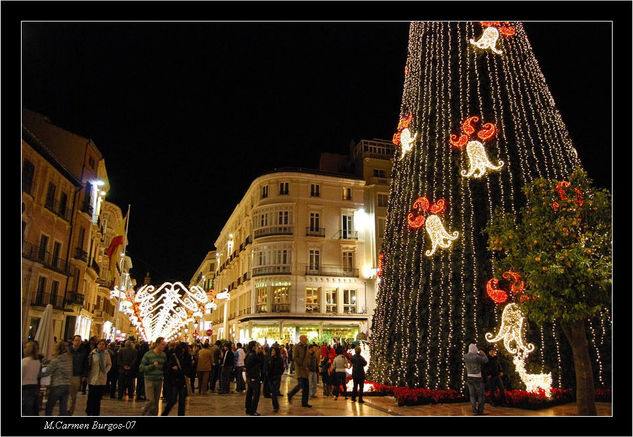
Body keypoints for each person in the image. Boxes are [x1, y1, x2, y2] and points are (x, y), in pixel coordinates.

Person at [42, 341, 73, 415]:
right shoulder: (69, 359)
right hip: (67, 385)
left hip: (57, 385)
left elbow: (47, 372)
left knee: (49, 406)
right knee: (63, 407)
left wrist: (39, 373)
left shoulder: (56, 361)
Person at [161, 342, 192, 416]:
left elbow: (188, 369)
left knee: (182, 401)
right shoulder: (173, 355)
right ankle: (164, 414)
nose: (183, 350)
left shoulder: (187, 357)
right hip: (174, 381)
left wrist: (179, 370)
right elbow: (167, 368)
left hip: (182, 381)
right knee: (173, 400)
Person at [139, 337, 167, 416]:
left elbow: (164, 367)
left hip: (159, 380)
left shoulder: (163, 355)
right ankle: (143, 414)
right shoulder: (148, 354)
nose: (164, 346)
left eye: (164, 345)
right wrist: (152, 366)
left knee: (156, 402)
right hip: (149, 379)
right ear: (157, 344)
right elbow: (141, 368)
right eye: (162, 345)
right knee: (150, 400)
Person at [86, 339, 112, 416]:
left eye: (103, 344)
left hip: (101, 378)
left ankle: (96, 413)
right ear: (97, 345)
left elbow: (109, 364)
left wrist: (105, 371)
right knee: (91, 396)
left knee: (97, 398)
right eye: (100, 344)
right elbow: (89, 364)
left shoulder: (106, 354)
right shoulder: (92, 353)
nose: (101, 345)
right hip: (92, 377)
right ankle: (89, 411)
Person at [463, 343, 489, 416]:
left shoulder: (465, 356)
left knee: (472, 395)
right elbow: (486, 360)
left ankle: (474, 409)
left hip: (469, 376)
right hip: (477, 377)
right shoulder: (477, 357)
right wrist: (483, 354)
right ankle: (480, 410)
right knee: (480, 395)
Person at [287, 335, 311, 407]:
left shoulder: (307, 346)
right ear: (301, 339)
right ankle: (290, 394)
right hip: (300, 369)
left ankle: (304, 402)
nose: (306, 339)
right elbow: (295, 357)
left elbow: (308, 357)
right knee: (301, 384)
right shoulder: (297, 347)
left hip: (305, 369)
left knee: (306, 386)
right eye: (305, 338)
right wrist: (301, 363)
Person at [68, 335, 89, 415]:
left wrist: (84, 375)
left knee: (73, 396)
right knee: (66, 395)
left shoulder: (83, 351)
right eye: (76, 340)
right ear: (73, 341)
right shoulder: (68, 350)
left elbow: (85, 364)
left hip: (76, 375)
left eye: (79, 341)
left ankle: (70, 412)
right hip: (67, 375)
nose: (77, 342)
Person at [244, 341, 265, 416]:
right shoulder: (253, 355)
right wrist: (261, 352)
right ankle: (253, 410)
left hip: (250, 376)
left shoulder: (248, 354)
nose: (257, 347)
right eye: (256, 345)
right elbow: (262, 361)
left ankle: (248, 409)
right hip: (254, 376)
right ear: (253, 346)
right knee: (256, 394)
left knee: (249, 393)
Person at [22, 341, 42, 415]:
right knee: (32, 409)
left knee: (26, 409)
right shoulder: (37, 361)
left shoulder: (24, 361)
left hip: (25, 387)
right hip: (34, 386)